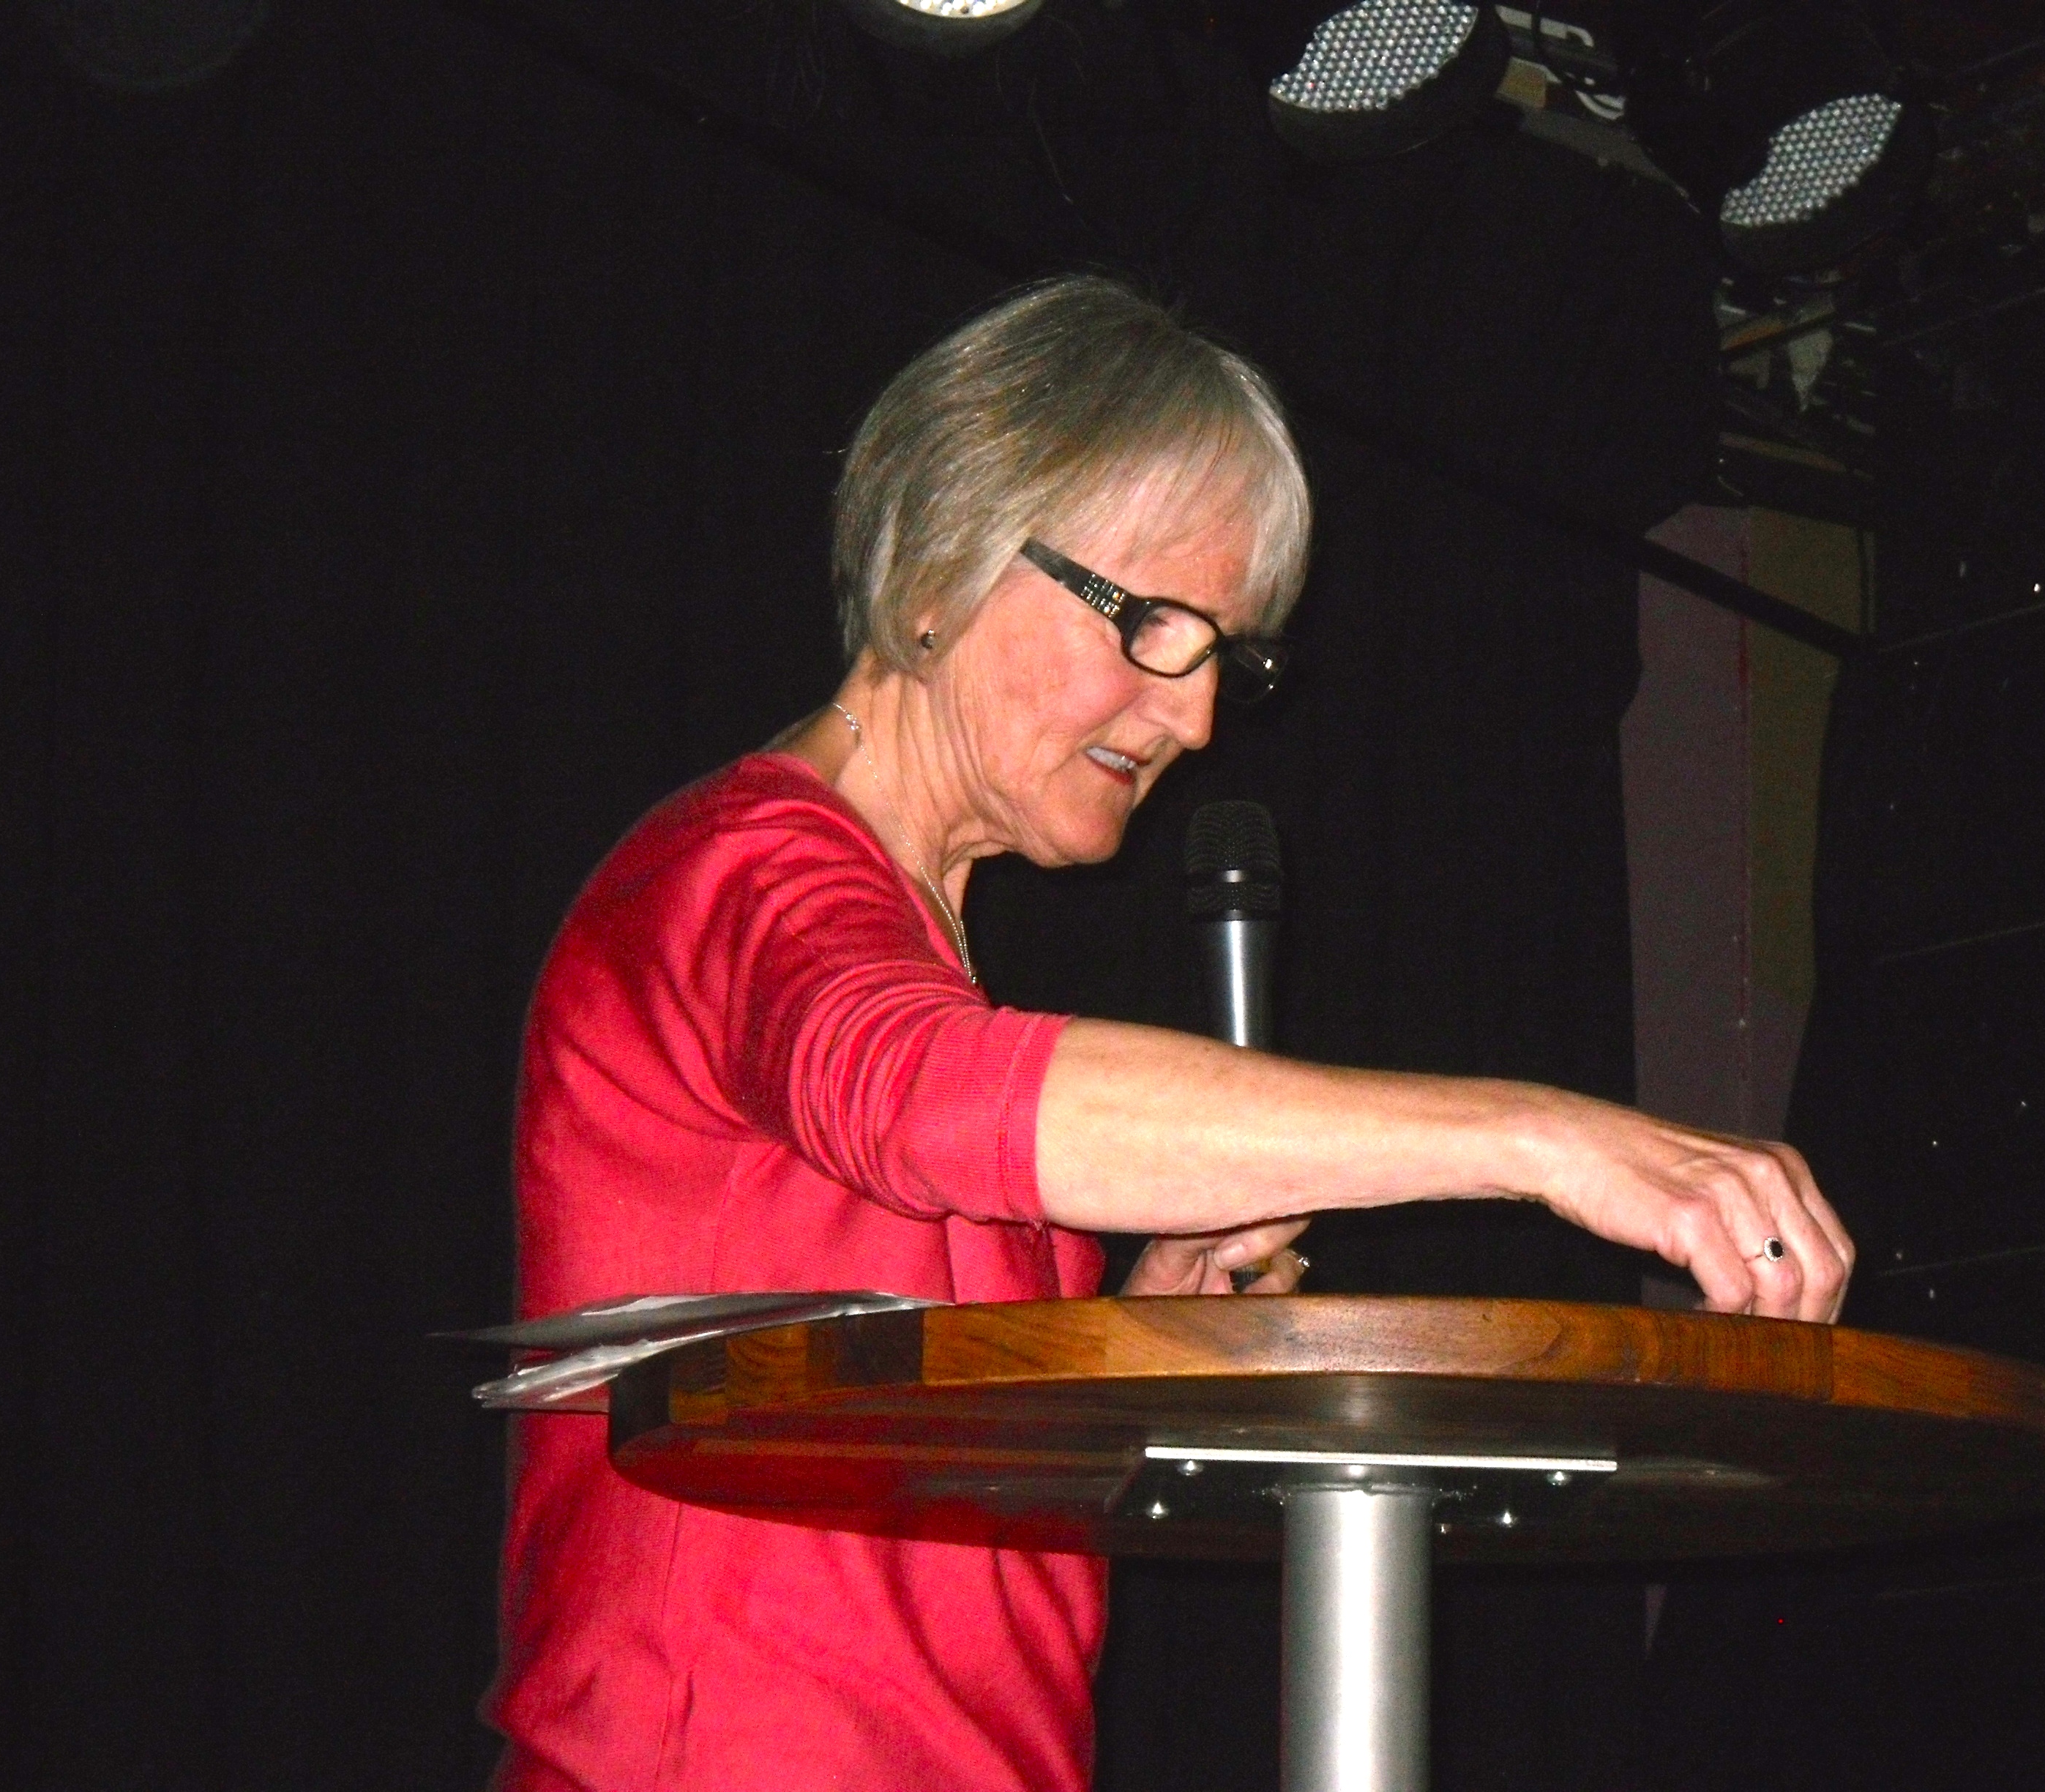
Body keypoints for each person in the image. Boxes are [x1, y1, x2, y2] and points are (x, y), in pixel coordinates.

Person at [485, 276, 1853, 1792]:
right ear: (941, 561)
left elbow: (908, 1483)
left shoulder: (903, 936)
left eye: (1222, 657)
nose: (1195, 719)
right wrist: (1547, 1139)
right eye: (1151, 627)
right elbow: (929, 1096)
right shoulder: (737, 875)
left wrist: (1130, 1324)